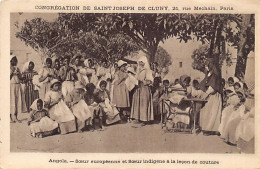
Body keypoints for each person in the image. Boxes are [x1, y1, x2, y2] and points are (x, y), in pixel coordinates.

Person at [199, 58, 222, 136]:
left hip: (214, 95)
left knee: (213, 112)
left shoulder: (215, 75)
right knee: (207, 111)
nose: (205, 67)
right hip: (209, 95)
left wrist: (205, 95)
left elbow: (212, 87)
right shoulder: (209, 74)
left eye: (207, 65)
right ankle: (207, 128)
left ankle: (210, 129)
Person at [130, 55, 154, 126]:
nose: (140, 64)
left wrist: (144, 81)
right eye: (139, 62)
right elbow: (136, 78)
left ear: (145, 63)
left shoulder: (148, 71)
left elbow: (150, 81)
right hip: (138, 88)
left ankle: (144, 119)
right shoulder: (138, 70)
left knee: (144, 103)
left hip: (144, 88)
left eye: (142, 62)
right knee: (137, 102)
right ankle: (138, 118)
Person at [10, 55, 25, 122]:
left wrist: (20, 75)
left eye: (16, 60)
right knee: (12, 101)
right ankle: (11, 116)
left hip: (17, 85)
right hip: (11, 85)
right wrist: (12, 72)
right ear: (10, 61)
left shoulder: (17, 68)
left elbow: (21, 78)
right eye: (13, 60)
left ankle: (16, 116)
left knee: (17, 101)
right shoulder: (9, 68)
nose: (15, 61)